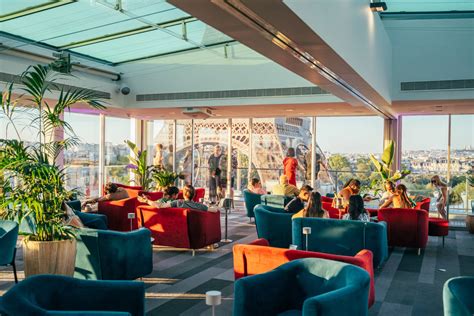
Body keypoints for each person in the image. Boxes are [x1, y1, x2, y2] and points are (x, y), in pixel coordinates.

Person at [139, 184, 212, 212]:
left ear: (183, 194)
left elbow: (159, 205)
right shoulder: (199, 206)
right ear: (194, 195)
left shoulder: (177, 203)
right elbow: (214, 210)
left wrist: (146, 200)